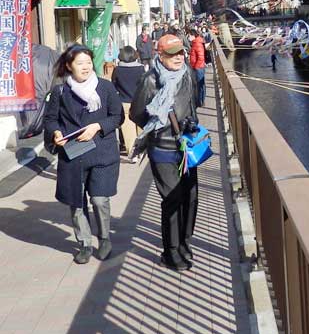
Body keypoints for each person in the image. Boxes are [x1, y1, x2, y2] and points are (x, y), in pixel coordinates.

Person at [43, 44, 124, 264]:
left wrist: (97, 126)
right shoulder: (60, 91)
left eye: (88, 62)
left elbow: (117, 117)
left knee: (99, 199)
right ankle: (84, 243)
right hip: (73, 154)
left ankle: (105, 238)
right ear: (69, 66)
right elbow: (50, 120)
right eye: (80, 63)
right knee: (77, 203)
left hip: (101, 152)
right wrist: (56, 132)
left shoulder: (105, 88)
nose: (86, 67)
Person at [130, 34, 198, 271]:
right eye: (172, 54)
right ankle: (170, 252)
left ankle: (184, 243)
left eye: (181, 53)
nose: (178, 58)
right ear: (160, 55)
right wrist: (158, 124)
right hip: (162, 147)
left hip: (187, 146)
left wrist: (190, 123)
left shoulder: (187, 74)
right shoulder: (150, 80)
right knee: (172, 199)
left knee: (190, 197)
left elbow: (192, 104)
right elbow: (135, 114)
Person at [111, 46, 145, 162]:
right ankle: (142, 148)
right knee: (141, 126)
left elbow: (114, 85)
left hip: (124, 102)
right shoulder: (140, 69)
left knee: (128, 130)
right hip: (139, 102)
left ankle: (133, 153)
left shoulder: (117, 70)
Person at [188, 28, 206, 107]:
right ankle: (200, 100)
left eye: (189, 35)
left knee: (200, 85)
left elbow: (201, 57)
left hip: (198, 68)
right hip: (198, 67)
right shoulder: (195, 43)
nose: (188, 37)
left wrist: (195, 67)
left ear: (193, 35)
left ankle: (200, 101)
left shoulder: (197, 44)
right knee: (200, 85)